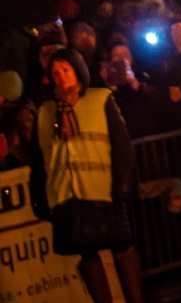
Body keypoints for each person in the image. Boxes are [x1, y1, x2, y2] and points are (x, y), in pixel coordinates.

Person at [33, 47, 145, 302]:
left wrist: (121, 185)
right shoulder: (47, 112)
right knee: (87, 253)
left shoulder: (100, 99)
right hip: (67, 195)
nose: (61, 76)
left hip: (102, 191)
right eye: (55, 72)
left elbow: (121, 147)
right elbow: (42, 160)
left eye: (65, 70)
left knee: (121, 247)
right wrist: (41, 200)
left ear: (78, 71)